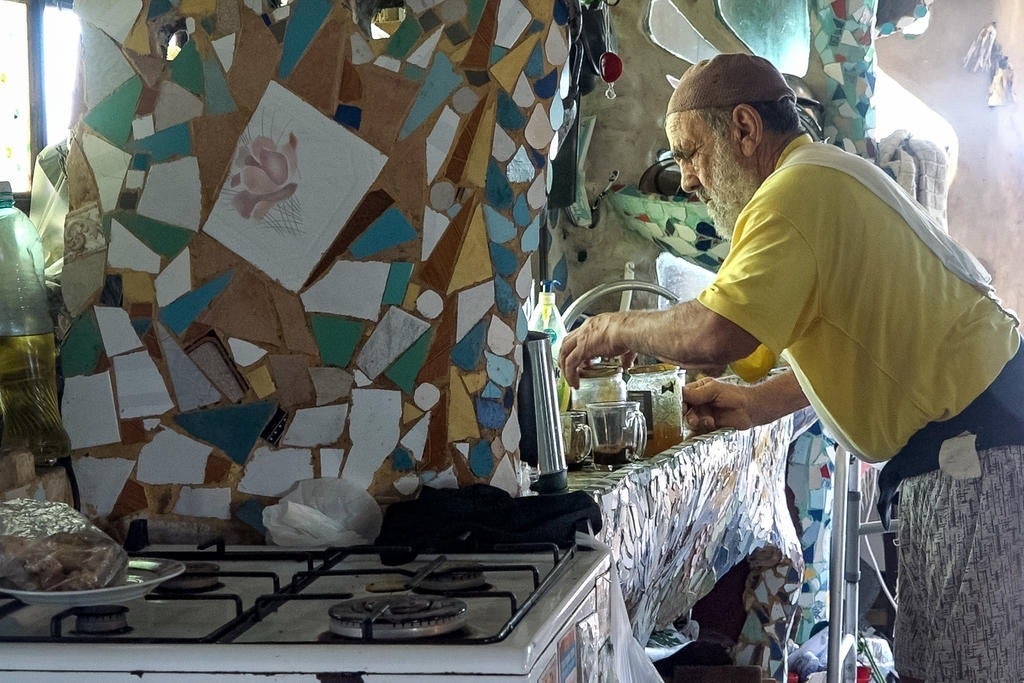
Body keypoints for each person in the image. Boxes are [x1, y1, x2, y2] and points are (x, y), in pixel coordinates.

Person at [557, 53, 1024, 683]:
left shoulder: (793, 195)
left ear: (745, 130)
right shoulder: (826, 177)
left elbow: (716, 331)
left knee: (963, 673)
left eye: (691, 153)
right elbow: (863, 333)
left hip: (977, 456)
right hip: (984, 439)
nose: (689, 180)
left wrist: (611, 325)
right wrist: (755, 404)